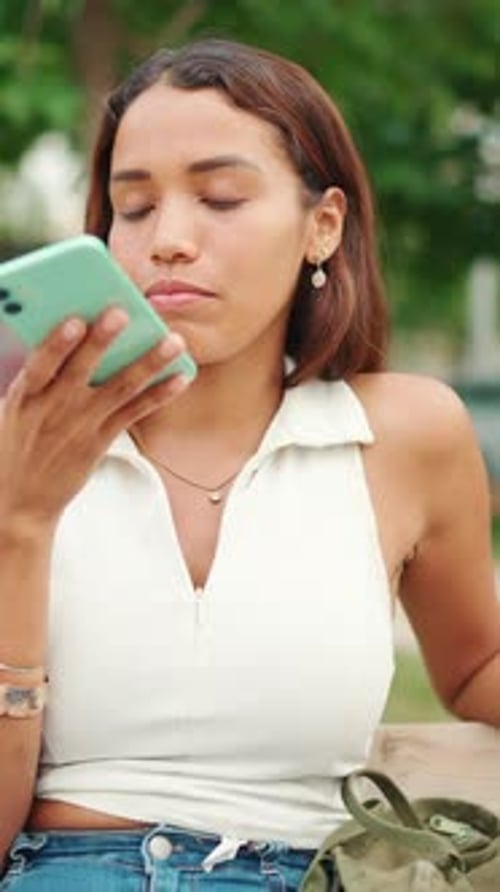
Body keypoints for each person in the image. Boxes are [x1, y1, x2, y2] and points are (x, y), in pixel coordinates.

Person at [0, 36, 499, 892]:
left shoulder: (408, 434)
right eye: (135, 207)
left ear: (323, 226)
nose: (170, 240)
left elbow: (476, 668)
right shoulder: (24, 445)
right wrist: (20, 522)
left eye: (221, 197)